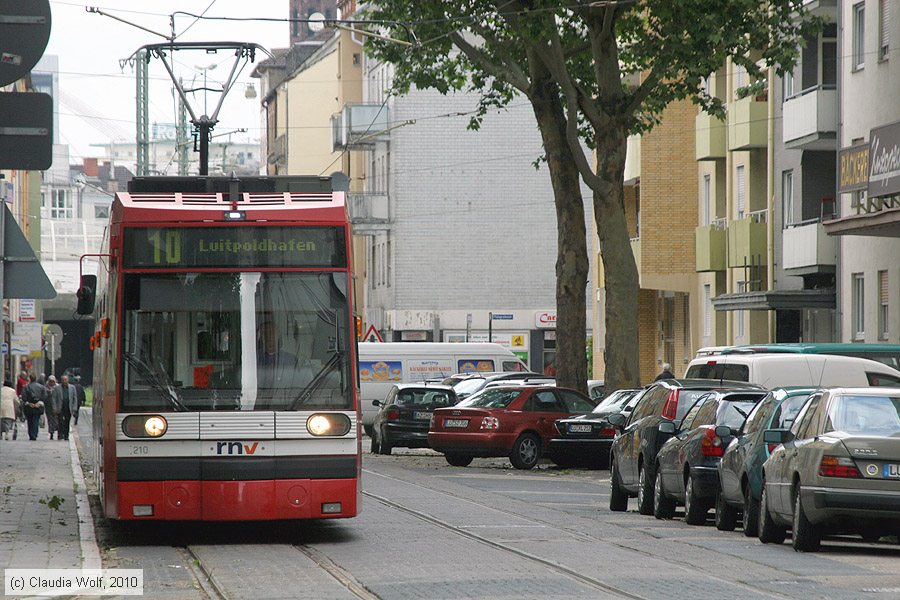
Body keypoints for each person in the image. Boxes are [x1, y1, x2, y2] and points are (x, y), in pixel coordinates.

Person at [52, 374, 78, 441]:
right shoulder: (57, 388)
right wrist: (54, 408)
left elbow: (75, 398)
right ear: (61, 380)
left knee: (67, 422)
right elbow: (54, 398)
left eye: (65, 380)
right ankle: (60, 435)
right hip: (60, 407)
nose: (64, 381)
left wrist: (74, 408)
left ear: (68, 380)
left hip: (68, 408)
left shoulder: (72, 388)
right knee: (60, 422)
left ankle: (66, 435)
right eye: (63, 380)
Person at [21, 373, 46, 441]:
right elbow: (44, 396)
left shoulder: (26, 387)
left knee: (30, 421)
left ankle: (31, 434)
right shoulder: (41, 387)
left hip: (29, 405)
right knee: (36, 420)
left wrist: (29, 403)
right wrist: (39, 403)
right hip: (38, 405)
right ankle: (34, 433)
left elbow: (24, 397)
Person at [44, 375, 58, 439]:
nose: (52, 383)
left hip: (56, 406)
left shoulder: (57, 387)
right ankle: (51, 432)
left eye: (53, 381)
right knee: (49, 420)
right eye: (50, 381)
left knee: (55, 419)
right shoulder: (45, 387)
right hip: (48, 406)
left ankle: (55, 428)